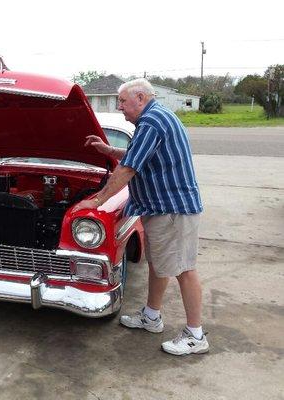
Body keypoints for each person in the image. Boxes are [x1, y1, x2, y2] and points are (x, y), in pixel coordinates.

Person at [73, 78, 208, 356]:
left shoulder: (152, 121)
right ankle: (151, 316)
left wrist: (99, 198)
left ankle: (195, 335)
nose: (119, 106)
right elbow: (141, 154)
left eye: (122, 101)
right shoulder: (155, 117)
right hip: (162, 208)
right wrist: (110, 150)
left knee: (184, 269)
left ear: (140, 98)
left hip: (173, 209)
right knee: (159, 266)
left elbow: (129, 168)